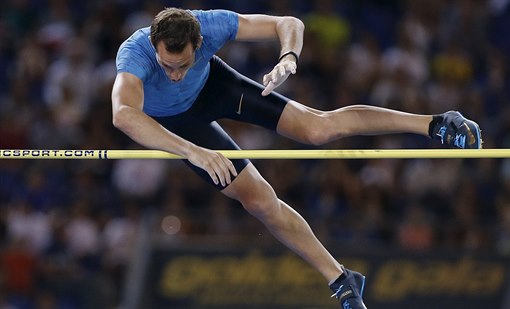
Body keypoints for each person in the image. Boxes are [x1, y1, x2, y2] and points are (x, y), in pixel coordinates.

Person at [111, 7, 482, 309]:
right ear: (155, 48)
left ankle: (435, 123)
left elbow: (289, 22)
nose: (175, 75)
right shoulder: (136, 53)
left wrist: (288, 56)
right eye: (167, 66)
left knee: (317, 129)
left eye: (183, 64)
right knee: (257, 200)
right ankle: (340, 277)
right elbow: (124, 114)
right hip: (176, 125)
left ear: (199, 43)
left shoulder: (210, 25)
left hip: (214, 89)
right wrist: (195, 152)